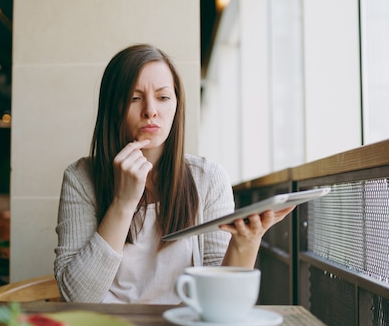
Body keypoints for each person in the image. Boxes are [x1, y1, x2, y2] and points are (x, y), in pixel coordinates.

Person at [54, 44, 293, 303]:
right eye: (135, 98)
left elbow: (221, 301)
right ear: (114, 108)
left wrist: (246, 242)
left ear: (177, 105)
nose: (150, 110)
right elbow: (77, 297)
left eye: (163, 97)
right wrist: (122, 203)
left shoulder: (208, 178)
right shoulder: (80, 178)